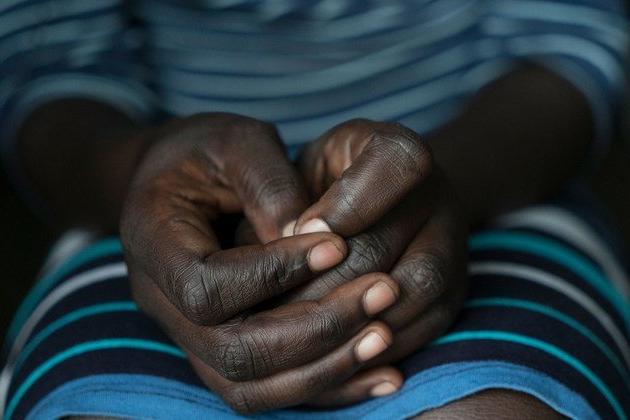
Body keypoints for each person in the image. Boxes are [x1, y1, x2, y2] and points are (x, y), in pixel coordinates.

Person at [1, 0, 629, 418]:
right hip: (141, 221)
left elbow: (569, 48)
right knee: (99, 408)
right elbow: (47, 70)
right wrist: (144, 171)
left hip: (497, 183)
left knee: (497, 407)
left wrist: (441, 185)